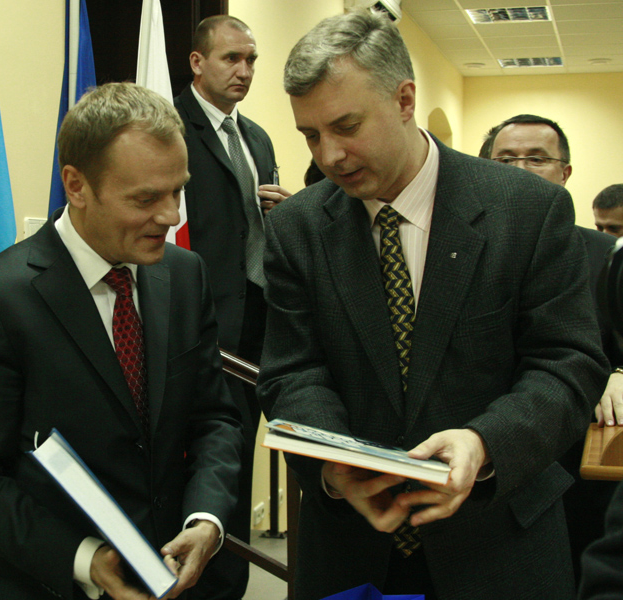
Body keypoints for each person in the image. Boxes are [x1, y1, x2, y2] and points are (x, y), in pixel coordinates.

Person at [257, 10, 608, 600]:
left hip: (499, 543)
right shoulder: (298, 227)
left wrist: (485, 443)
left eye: (346, 126)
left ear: (404, 99)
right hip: (351, 550)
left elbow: (567, 365)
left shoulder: (526, 210)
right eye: (311, 135)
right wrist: (334, 465)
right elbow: (293, 371)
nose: (330, 156)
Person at [0, 82, 244, 600]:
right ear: (76, 186)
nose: (171, 216)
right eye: (146, 198)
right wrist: (85, 559)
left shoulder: (185, 275)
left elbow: (215, 418)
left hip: (176, 581)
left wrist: (206, 518)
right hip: (46, 585)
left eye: (177, 191)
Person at [173, 15, 290, 600]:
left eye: (251, 60)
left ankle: (230, 583)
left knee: (239, 455)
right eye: (231, 59)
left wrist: (286, 213)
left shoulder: (258, 137)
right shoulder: (169, 126)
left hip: (259, 327)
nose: (244, 71)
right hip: (199, 328)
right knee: (206, 457)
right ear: (197, 62)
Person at [481, 113, 619, 580]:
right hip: (486, 458)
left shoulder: (604, 255)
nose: (520, 170)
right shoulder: (459, 252)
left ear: (565, 172)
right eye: (505, 160)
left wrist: (618, 374)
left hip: (577, 461)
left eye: (537, 159)